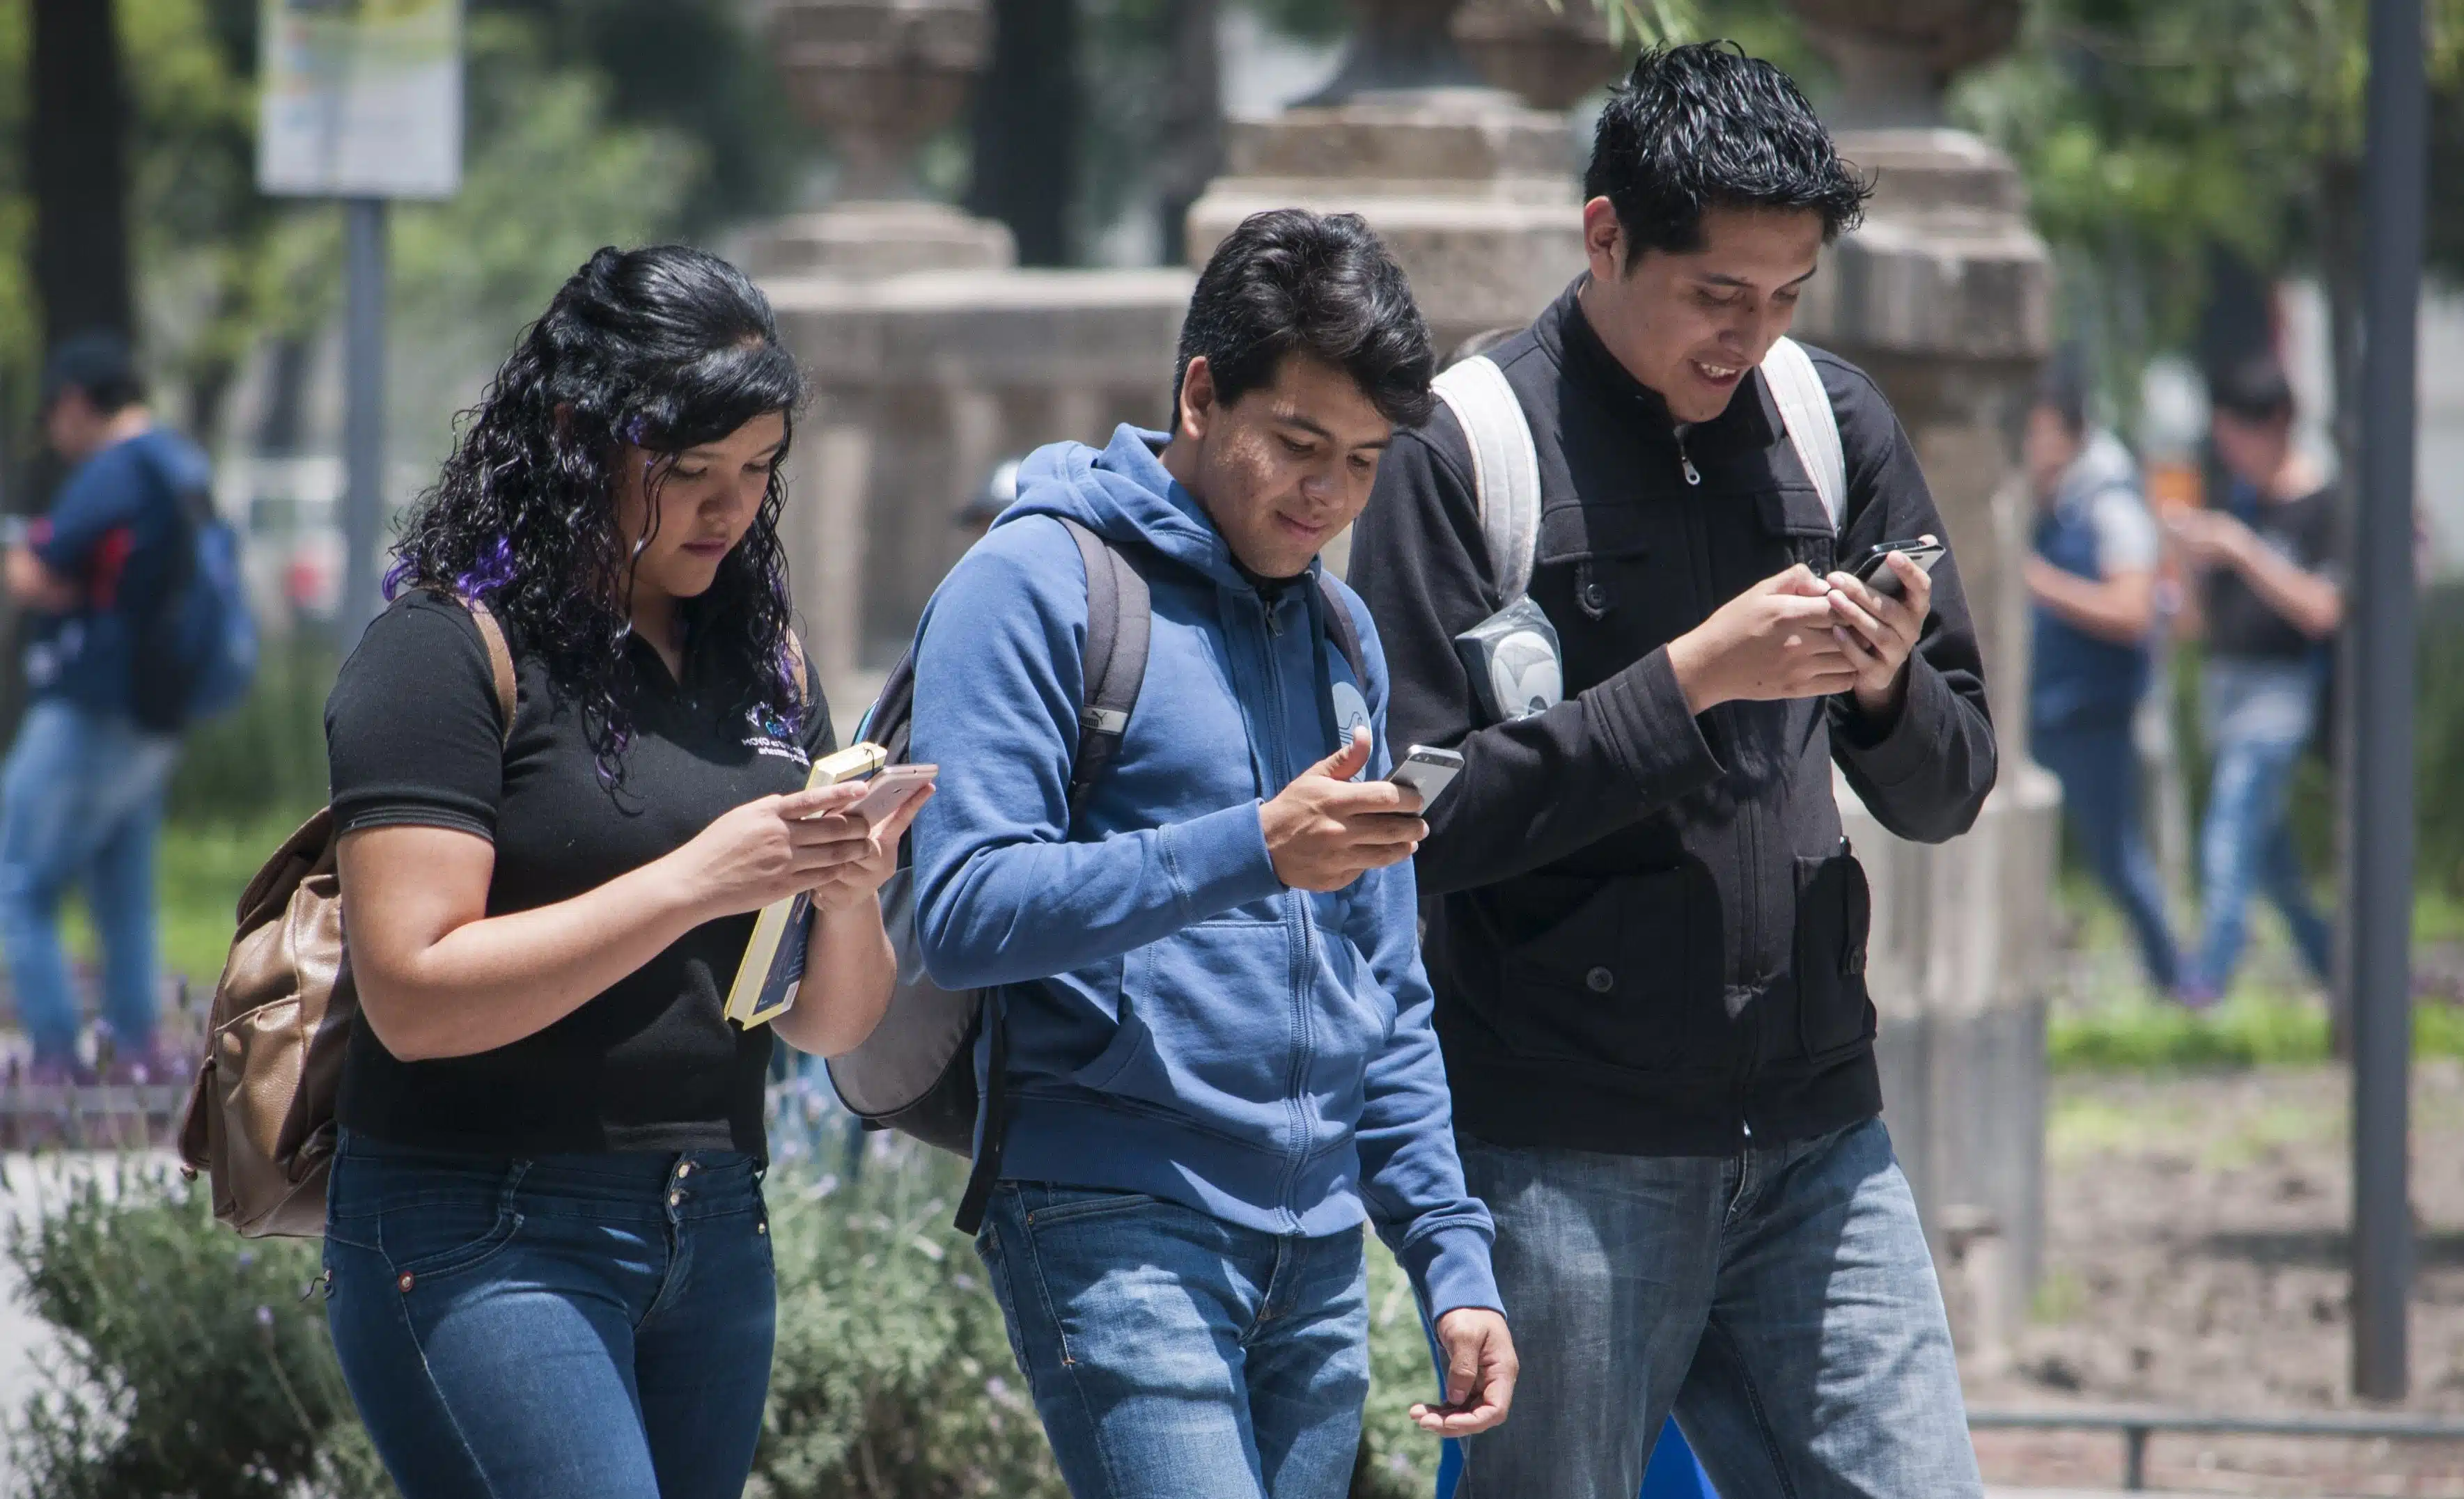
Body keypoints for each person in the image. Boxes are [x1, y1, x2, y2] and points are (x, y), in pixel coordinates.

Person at [1347, 43, 1998, 1499]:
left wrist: (1886, 685)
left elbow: (1951, 787)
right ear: (1602, 236)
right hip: (1558, 1152)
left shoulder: (1834, 427)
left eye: (1783, 299)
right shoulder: (1464, 448)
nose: (1749, 339)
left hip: (1822, 1134)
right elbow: (1420, 818)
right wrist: (1692, 680)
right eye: (1715, 295)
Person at [908, 208, 1515, 1499]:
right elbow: (957, 903)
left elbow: (1383, 984)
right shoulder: (1035, 583)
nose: (1329, 495)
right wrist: (1255, 848)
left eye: (1360, 462)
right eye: (1298, 444)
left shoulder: (1344, 633)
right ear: (1199, 392)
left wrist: (1450, 1256)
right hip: (1111, 1213)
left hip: (1316, 1246)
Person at [321, 245, 927, 1499]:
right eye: (690, 471)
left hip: (713, 1220)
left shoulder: (763, 662)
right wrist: (698, 878)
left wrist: (849, 887)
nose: (731, 508)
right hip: (480, 1224)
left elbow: (825, 1017)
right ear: (574, 436)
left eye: (758, 470)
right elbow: (414, 993)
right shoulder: (444, 648)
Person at [0, 331, 203, 1085]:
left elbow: (42, 570)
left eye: (54, 412)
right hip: (157, 713)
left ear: (78, 403)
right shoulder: (183, 463)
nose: (54, 430)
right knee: (122, 887)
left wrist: (25, 562)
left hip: (91, 704)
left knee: (18, 879)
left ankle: (55, 1060)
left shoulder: (112, 470)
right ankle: (136, 1053)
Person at [2165, 356, 2340, 1005]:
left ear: (2276, 424)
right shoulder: (2238, 500)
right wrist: (2183, 558)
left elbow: (2321, 609)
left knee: (2229, 829)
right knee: (2272, 862)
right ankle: (2334, 963)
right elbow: (2194, 627)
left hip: (2283, 694)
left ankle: (2207, 975)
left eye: (2237, 433)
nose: (2230, 451)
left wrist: (2240, 548)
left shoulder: (2322, 504)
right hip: (2226, 690)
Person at [2021, 361, 2183, 994]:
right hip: (2054, 706)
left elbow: (2130, 610)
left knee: (2116, 858)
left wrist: (2041, 583)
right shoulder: (2059, 500)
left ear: (2069, 431)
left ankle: (2175, 978)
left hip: (2094, 711)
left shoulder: (2109, 504)